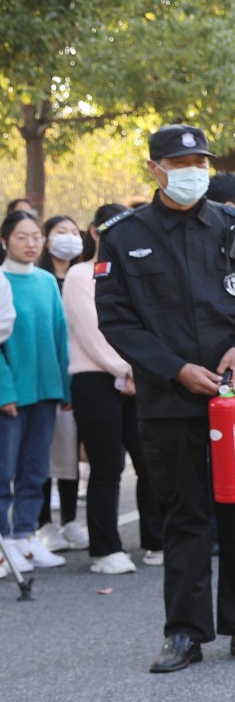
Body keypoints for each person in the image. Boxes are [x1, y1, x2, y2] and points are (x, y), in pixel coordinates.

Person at [96, 125, 235, 673]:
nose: (194, 171)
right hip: (169, 399)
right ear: (155, 168)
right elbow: (117, 319)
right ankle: (184, 631)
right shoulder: (124, 234)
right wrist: (173, 368)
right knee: (184, 515)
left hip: (234, 398)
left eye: (200, 161)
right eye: (181, 162)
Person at [64, 204, 162, 573]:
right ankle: (104, 550)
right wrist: (128, 369)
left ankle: (156, 540)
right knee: (107, 467)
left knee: (149, 463)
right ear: (95, 233)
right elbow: (92, 331)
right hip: (96, 379)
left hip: (140, 378)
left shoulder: (137, 274)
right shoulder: (79, 275)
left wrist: (143, 370)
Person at [0, 211, 70, 570]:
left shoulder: (45, 281)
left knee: (35, 468)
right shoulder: (1, 281)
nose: (31, 244)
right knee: (4, 470)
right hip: (11, 394)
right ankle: (3, 543)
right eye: (21, 237)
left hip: (46, 390)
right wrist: (4, 390)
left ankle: (25, 536)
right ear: (4, 241)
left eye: (36, 237)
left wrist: (64, 387)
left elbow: (60, 334)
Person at [35, 214, 85, 550]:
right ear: (46, 240)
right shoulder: (40, 279)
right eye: (59, 232)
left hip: (78, 373)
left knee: (69, 452)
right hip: (45, 372)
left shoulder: (84, 277)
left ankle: (69, 520)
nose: (68, 238)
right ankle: (44, 525)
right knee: (40, 452)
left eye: (72, 231)